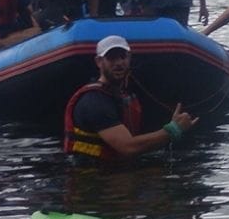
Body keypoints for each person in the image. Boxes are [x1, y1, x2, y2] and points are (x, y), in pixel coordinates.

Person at [64, 35, 197, 162]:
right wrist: (174, 130)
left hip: (114, 169)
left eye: (122, 57)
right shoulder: (94, 102)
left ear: (129, 58)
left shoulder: (123, 95)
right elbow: (128, 147)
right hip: (91, 176)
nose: (119, 63)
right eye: (111, 58)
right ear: (99, 62)